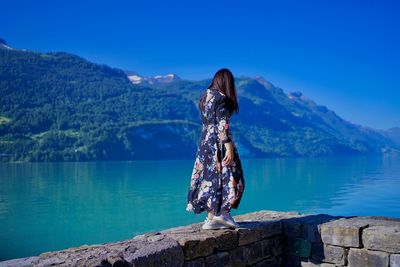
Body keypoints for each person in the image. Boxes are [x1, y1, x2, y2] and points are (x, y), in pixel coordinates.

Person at [186, 68, 245, 230]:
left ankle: (211, 217)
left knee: (209, 178)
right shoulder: (221, 98)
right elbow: (222, 123)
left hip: (205, 142)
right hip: (218, 143)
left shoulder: (204, 98)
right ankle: (223, 214)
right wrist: (228, 147)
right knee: (233, 175)